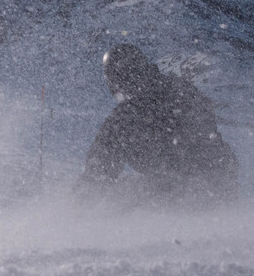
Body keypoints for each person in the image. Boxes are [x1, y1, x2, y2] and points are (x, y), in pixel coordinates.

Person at [75, 43, 238, 207]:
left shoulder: (126, 116)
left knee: (125, 192)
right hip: (217, 180)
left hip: (192, 188)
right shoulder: (178, 89)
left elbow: (99, 168)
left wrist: (80, 202)